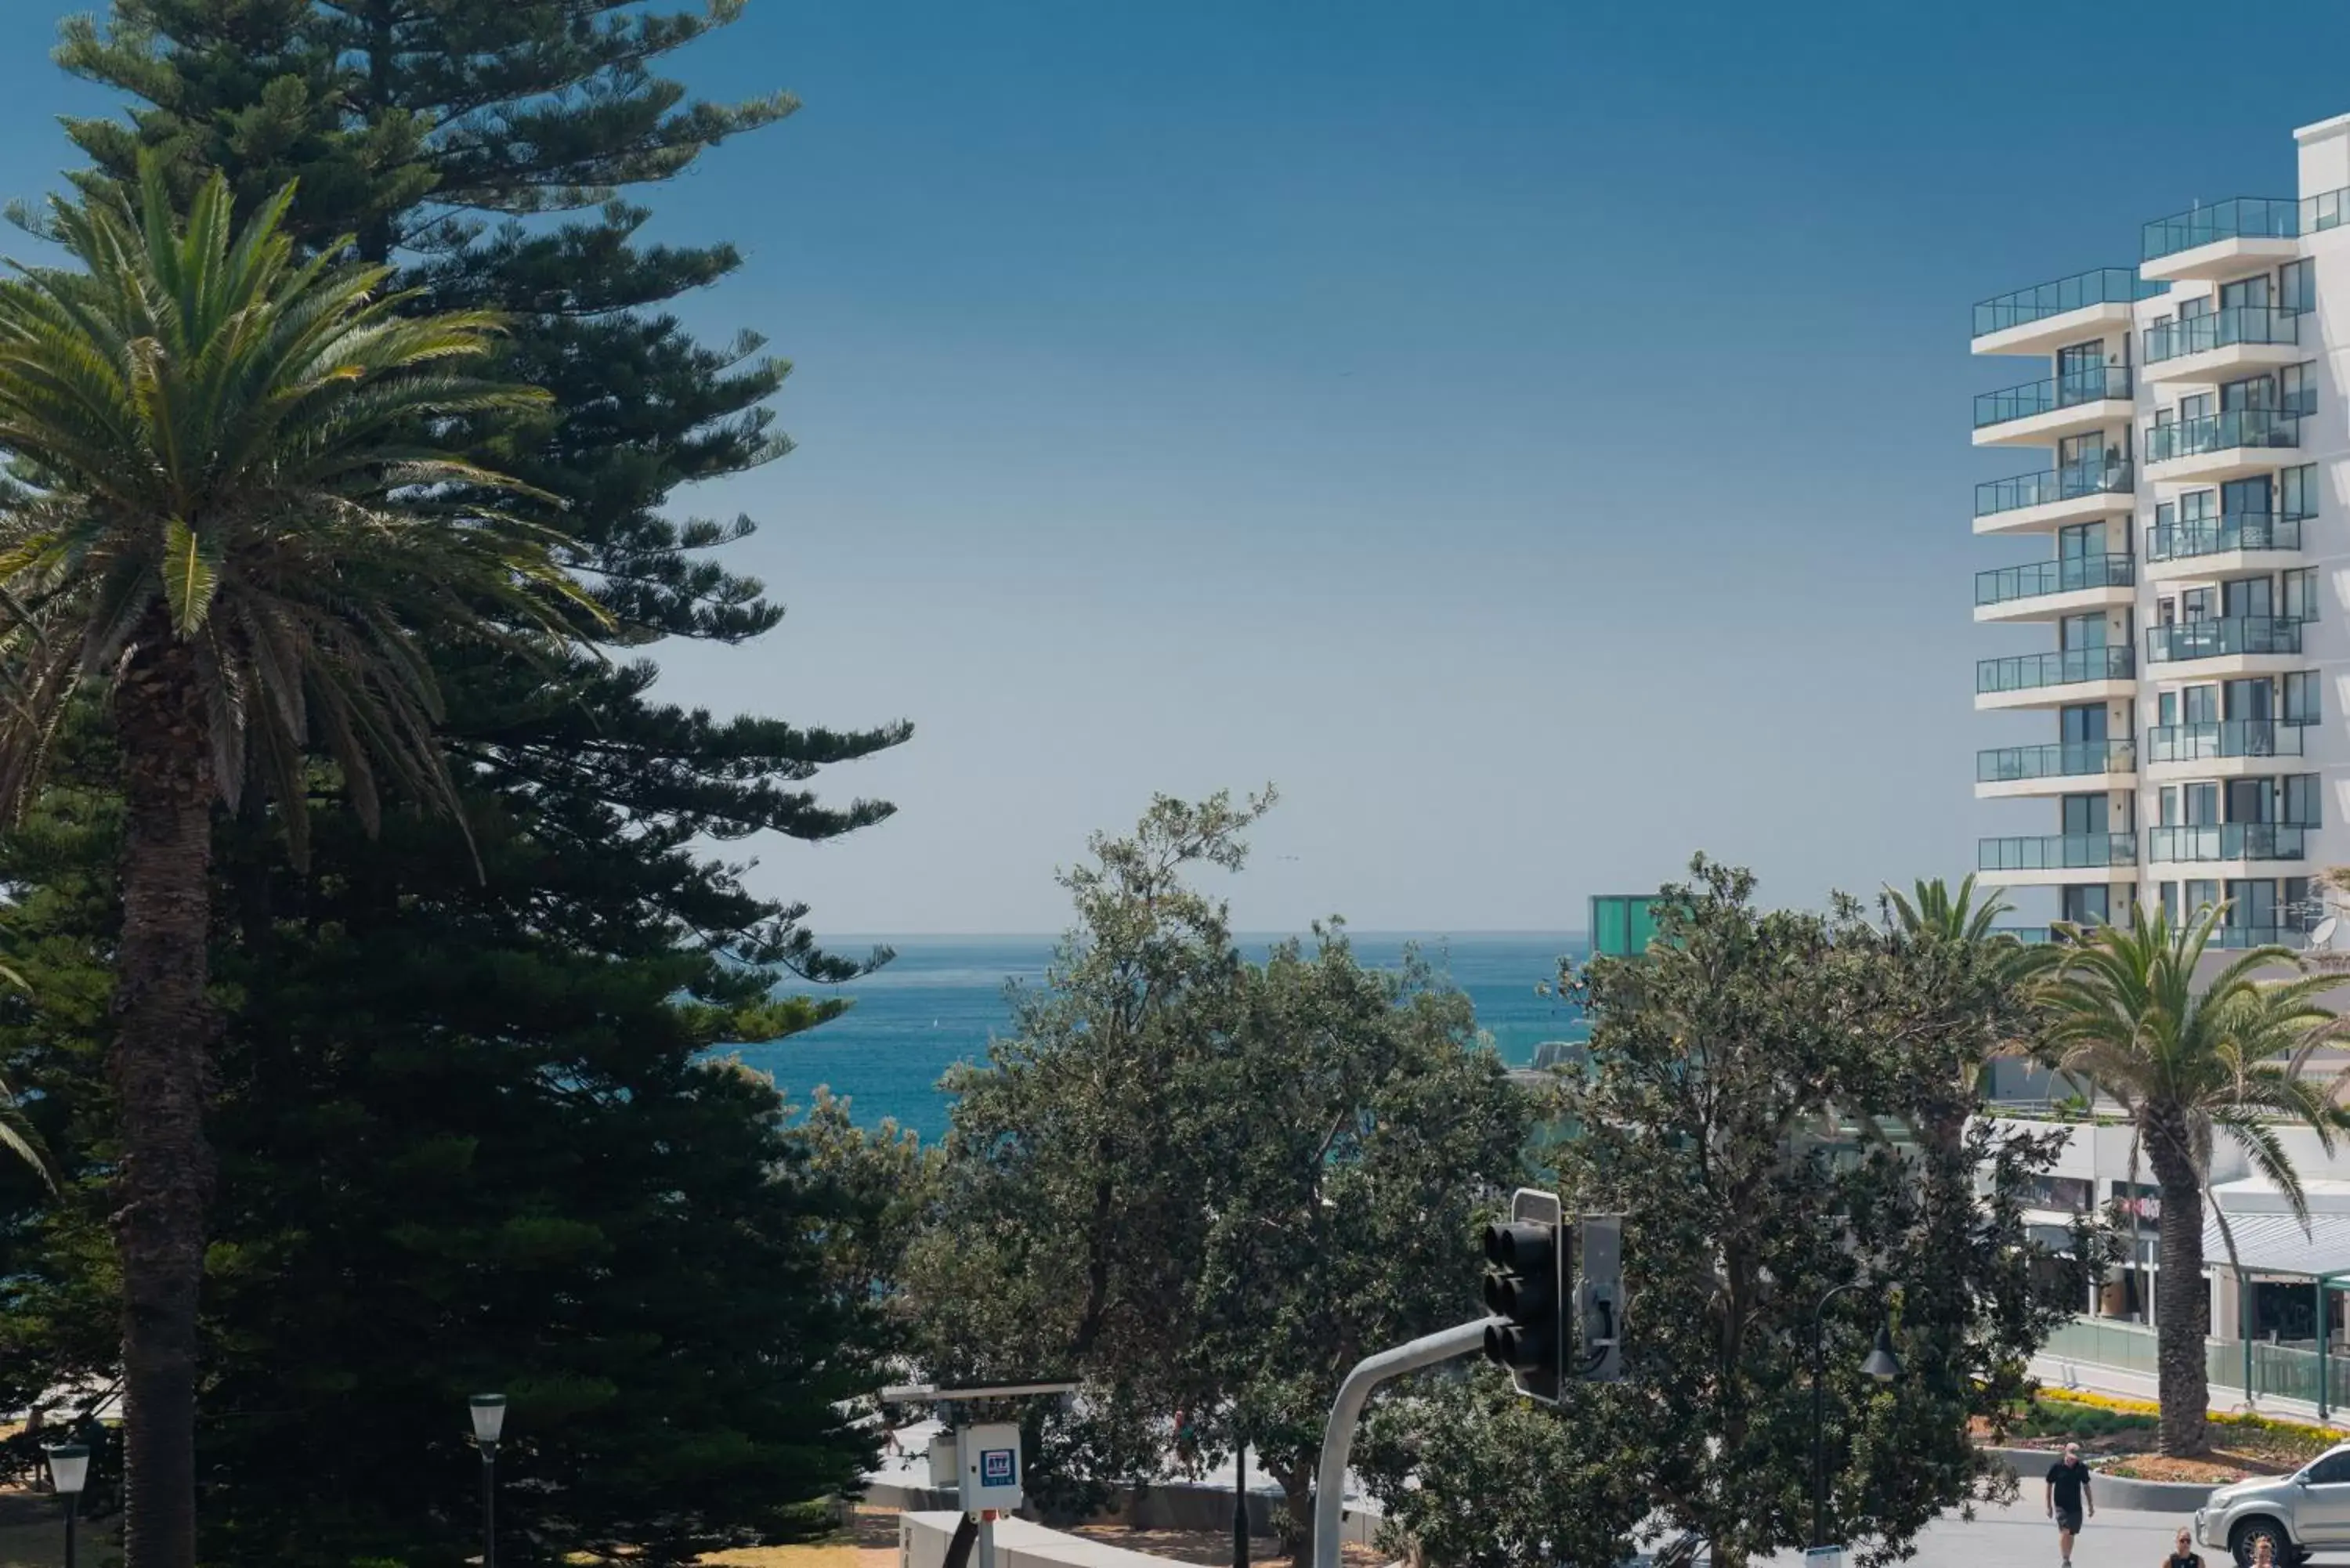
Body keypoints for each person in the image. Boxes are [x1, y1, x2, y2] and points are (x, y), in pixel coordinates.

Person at [2045, 1441, 2094, 1567]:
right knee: (2065, 1530)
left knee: (2071, 1533)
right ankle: (2065, 1560)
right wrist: (2049, 1506)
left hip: (2076, 1504)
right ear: (2066, 1452)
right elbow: (2049, 1485)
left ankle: (2068, 1557)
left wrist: (2091, 1505)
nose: (2074, 1457)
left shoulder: (2081, 1467)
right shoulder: (2057, 1466)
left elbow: (2086, 1486)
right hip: (2061, 1504)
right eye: (2072, 1452)